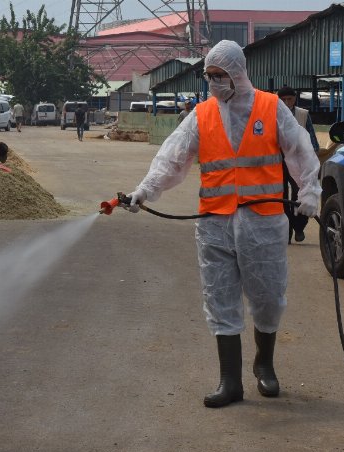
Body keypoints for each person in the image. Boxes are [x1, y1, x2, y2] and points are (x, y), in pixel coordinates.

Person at [124, 40, 321, 408]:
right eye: (209, 76)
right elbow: (172, 158)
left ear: (238, 73)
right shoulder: (202, 115)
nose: (214, 83)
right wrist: (144, 191)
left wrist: (309, 191)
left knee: (267, 298)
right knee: (220, 297)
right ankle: (230, 381)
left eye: (221, 76)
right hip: (215, 221)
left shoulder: (270, 106)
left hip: (262, 222)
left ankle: (264, 364)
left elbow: (299, 150)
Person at [277, 87, 319, 244]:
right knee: (280, 197)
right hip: (278, 161)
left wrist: (312, 159)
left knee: (299, 194)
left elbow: (312, 138)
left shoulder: (303, 114)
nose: (287, 102)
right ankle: (285, 232)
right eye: (283, 99)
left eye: (290, 99)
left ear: (295, 98)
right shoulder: (273, 114)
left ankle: (299, 226)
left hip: (297, 162)